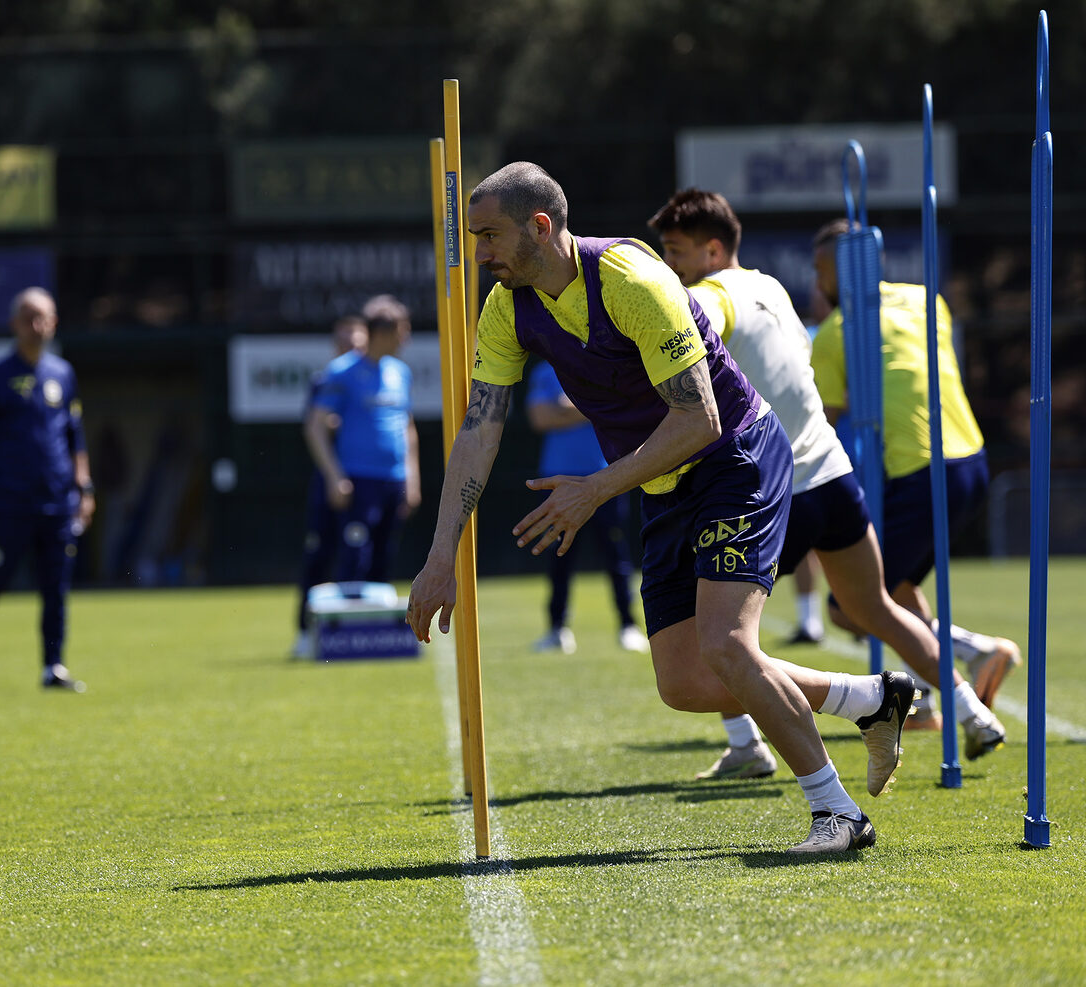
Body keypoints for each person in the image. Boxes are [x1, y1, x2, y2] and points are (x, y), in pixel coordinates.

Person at [407, 161, 917, 855]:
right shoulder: (506, 308)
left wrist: (594, 487)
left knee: (728, 644)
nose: (481, 254)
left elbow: (700, 418)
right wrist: (440, 558)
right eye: (474, 238)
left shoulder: (632, 281)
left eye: (490, 236)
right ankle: (869, 698)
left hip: (732, 457)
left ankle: (838, 813)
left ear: (541, 226)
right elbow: (478, 431)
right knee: (685, 681)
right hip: (660, 483)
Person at [647, 189, 1006, 782]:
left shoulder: (705, 296)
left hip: (773, 488)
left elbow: (675, 352)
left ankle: (752, 744)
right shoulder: (771, 287)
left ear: (713, 248)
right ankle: (971, 712)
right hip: (833, 476)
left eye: (677, 250)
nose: (670, 264)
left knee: (708, 632)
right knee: (878, 607)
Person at [811, 217, 1021, 724]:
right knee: (896, 587)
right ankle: (929, 697)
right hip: (971, 459)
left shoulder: (837, 333)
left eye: (822, 271)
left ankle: (974, 654)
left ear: (840, 271)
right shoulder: (928, 300)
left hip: (919, 470)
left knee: (850, 604)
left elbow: (820, 424)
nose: (820, 284)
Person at [0, 287, 93, 692]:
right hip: (10, 503)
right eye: (29, 317)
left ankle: (54, 666)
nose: (37, 325)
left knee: (56, 588)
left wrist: (85, 488)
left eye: (44, 316)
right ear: (14, 323)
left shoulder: (63, 374)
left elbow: (75, 438)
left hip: (58, 502)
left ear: (55, 322)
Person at [525, 359, 648, 655]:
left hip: (605, 477)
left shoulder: (604, 364)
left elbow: (620, 410)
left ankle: (628, 626)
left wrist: (567, 408)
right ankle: (556, 629)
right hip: (558, 478)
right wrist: (592, 407)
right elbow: (541, 418)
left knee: (615, 555)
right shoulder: (545, 371)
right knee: (559, 558)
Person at [302, 294, 420, 599]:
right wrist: (334, 476)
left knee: (384, 557)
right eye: (402, 330)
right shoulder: (342, 372)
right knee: (354, 556)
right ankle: (346, 636)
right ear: (383, 332)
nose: (406, 337)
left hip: (393, 481)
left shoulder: (400, 372)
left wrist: (412, 479)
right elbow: (315, 426)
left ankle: (375, 636)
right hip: (357, 479)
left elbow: (407, 428)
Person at [291, 314, 369, 659]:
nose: (350, 349)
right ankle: (306, 633)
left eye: (357, 343)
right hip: (330, 480)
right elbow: (316, 425)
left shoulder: (377, 377)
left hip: (364, 479)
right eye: (344, 343)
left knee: (358, 556)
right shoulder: (326, 379)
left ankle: (356, 632)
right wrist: (334, 475)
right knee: (317, 555)